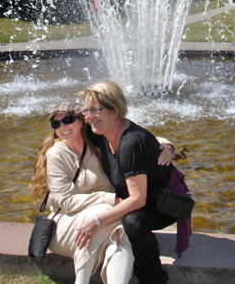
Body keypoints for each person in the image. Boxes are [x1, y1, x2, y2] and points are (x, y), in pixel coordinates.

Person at [76, 81, 177, 284]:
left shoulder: (130, 143)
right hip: (135, 200)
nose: (89, 117)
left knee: (133, 222)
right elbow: (65, 128)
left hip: (161, 205)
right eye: (86, 111)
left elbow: (138, 200)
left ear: (115, 108)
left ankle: (154, 279)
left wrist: (96, 222)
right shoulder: (102, 132)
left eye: (96, 109)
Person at [30, 102, 134, 284]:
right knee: (107, 218)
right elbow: (67, 202)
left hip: (102, 221)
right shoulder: (56, 155)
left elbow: (137, 138)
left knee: (117, 239)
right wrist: (109, 199)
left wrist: (167, 146)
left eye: (67, 120)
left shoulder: (96, 145)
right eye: (56, 124)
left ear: (80, 122)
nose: (62, 127)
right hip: (65, 225)